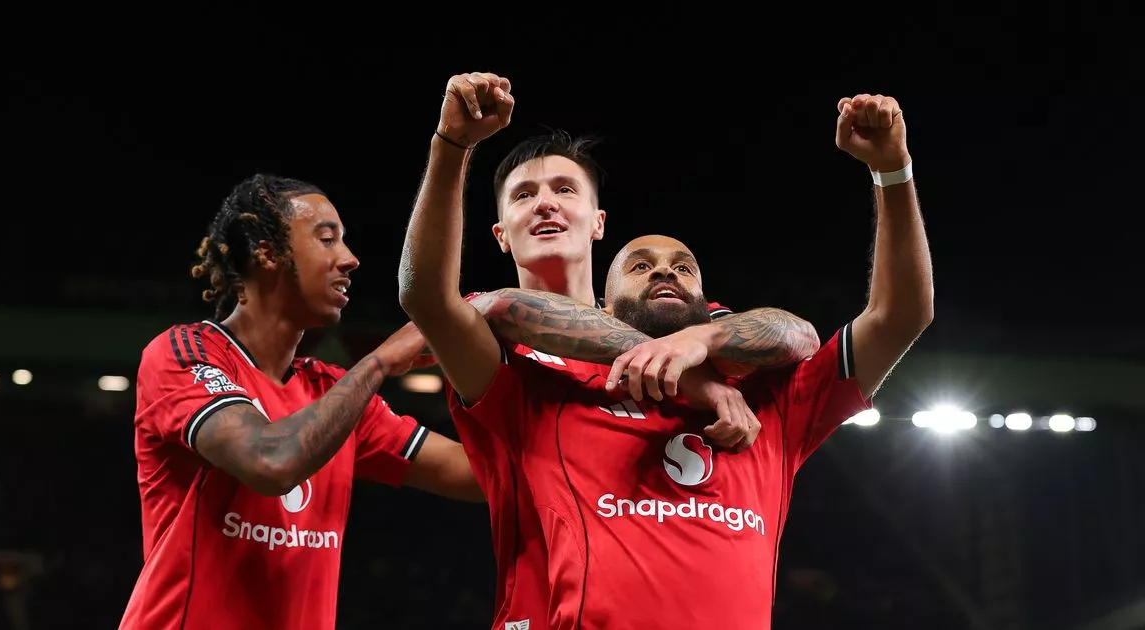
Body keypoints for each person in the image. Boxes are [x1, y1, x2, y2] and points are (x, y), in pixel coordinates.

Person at [400, 72, 933, 629]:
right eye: (639, 265)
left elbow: (899, 316)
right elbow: (430, 298)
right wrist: (451, 145)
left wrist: (892, 171)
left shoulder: (768, 399)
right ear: (607, 306)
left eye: (683, 266)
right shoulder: (540, 384)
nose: (664, 271)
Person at [118, 174, 484, 630]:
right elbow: (271, 462)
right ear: (267, 253)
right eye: (327, 239)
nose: (349, 259)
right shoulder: (184, 354)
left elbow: (477, 476)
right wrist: (378, 362)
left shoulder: (333, 392)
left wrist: (497, 358)